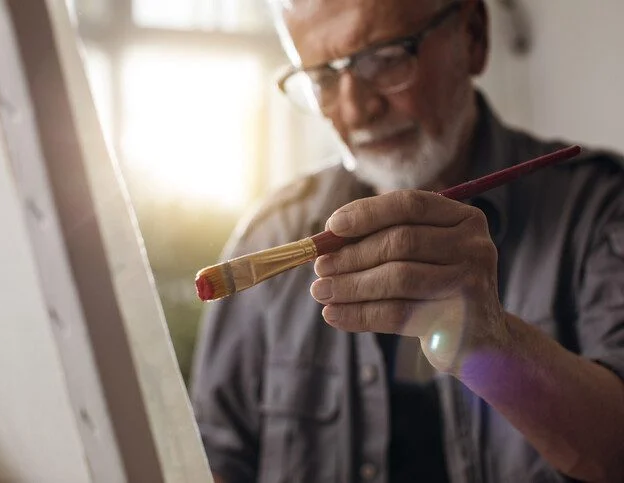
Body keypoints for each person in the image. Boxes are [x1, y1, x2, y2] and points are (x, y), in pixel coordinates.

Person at [190, 0, 624, 481]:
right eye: (323, 78)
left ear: (473, 37)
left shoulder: (600, 211)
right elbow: (211, 455)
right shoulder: (270, 233)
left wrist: (493, 345)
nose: (356, 109)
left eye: (385, 57)